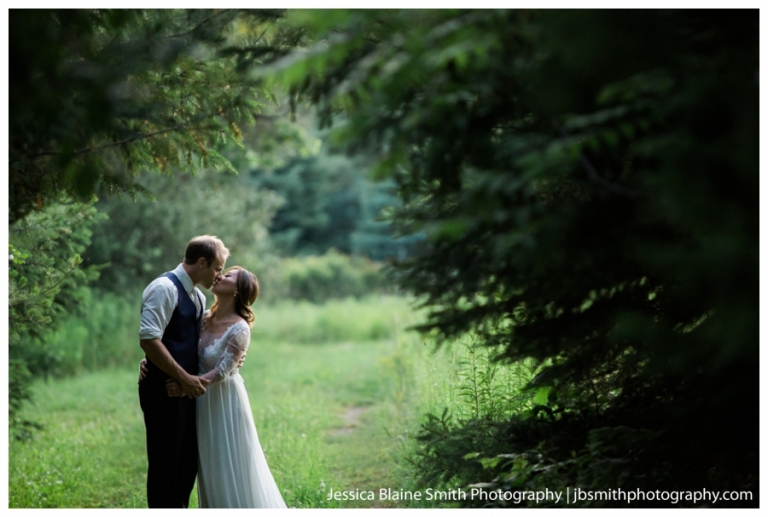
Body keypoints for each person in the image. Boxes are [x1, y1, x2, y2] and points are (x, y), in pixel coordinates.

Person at [141, 266, 286, 508]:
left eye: (228, 275)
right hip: (200, 399)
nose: (220, 275)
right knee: (205, 461)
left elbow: (222, 371)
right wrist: (149, 361)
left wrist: (187, 386)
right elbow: (176, 344)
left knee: (228, 458)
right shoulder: (204, 315)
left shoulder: (240, 328)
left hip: (223, 399)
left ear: (238, 291)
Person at [138, 235, 228, 508]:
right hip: (163, 391)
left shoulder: (198, 297)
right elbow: (149, 339)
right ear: (202, 263)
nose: (219, 275)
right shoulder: (164, 288)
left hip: (186, 392)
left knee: (186, 464)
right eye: (217, 268)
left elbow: (187, 342)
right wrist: (180, 376)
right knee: (166, 465)